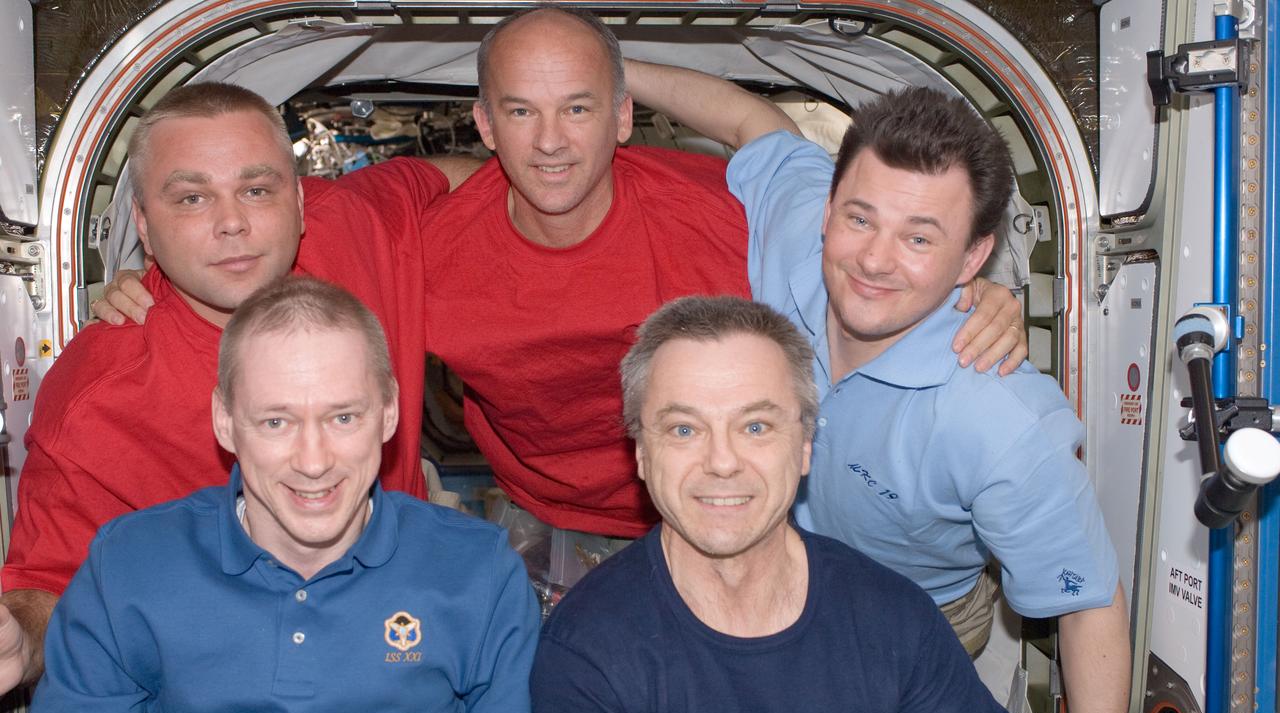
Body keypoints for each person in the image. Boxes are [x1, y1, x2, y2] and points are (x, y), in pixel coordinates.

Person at [91, 7, 1028, 591]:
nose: (551, 144)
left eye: (580, 108)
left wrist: (971, 297)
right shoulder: (423, 241)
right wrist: (140, 281)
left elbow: (873, 250)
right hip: (532, 513)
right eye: (523, 113)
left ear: (621, 117)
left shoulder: (715, 215)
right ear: (484, 124)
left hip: (718, 510)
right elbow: (245, 225)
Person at [624, 66, 1131, 713]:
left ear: (974, 258)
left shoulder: (998, 417)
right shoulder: (798, 229)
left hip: (919, 614)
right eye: (860, 219)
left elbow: (1087, 598)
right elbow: (750, 122)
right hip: (760, 562)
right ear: (828, 210)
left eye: (921, 237)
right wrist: (609, 63)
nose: (874, 260)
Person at [0, 277, 539, 713]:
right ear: (225, 421)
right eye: (276, 421)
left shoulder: (475, 572)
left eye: (343, 418)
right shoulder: (130, 568)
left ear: (389, 414)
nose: (313, 462)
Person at [0, 82, 474, 696]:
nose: (232, 224)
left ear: (301, 203)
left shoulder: (352, 226)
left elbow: (485, 178)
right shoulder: (100, 393)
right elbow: (51, 583)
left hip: (416, 662)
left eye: (256, 190)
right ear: (144, 225)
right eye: (192, 199)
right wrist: (20, 641)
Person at [523, 296, 1038, 713]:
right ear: (641, 455)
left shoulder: (890, 617)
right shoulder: (591, 648)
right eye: (683, 430)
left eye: (756, 426)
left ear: (806, 447)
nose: (722, 462)